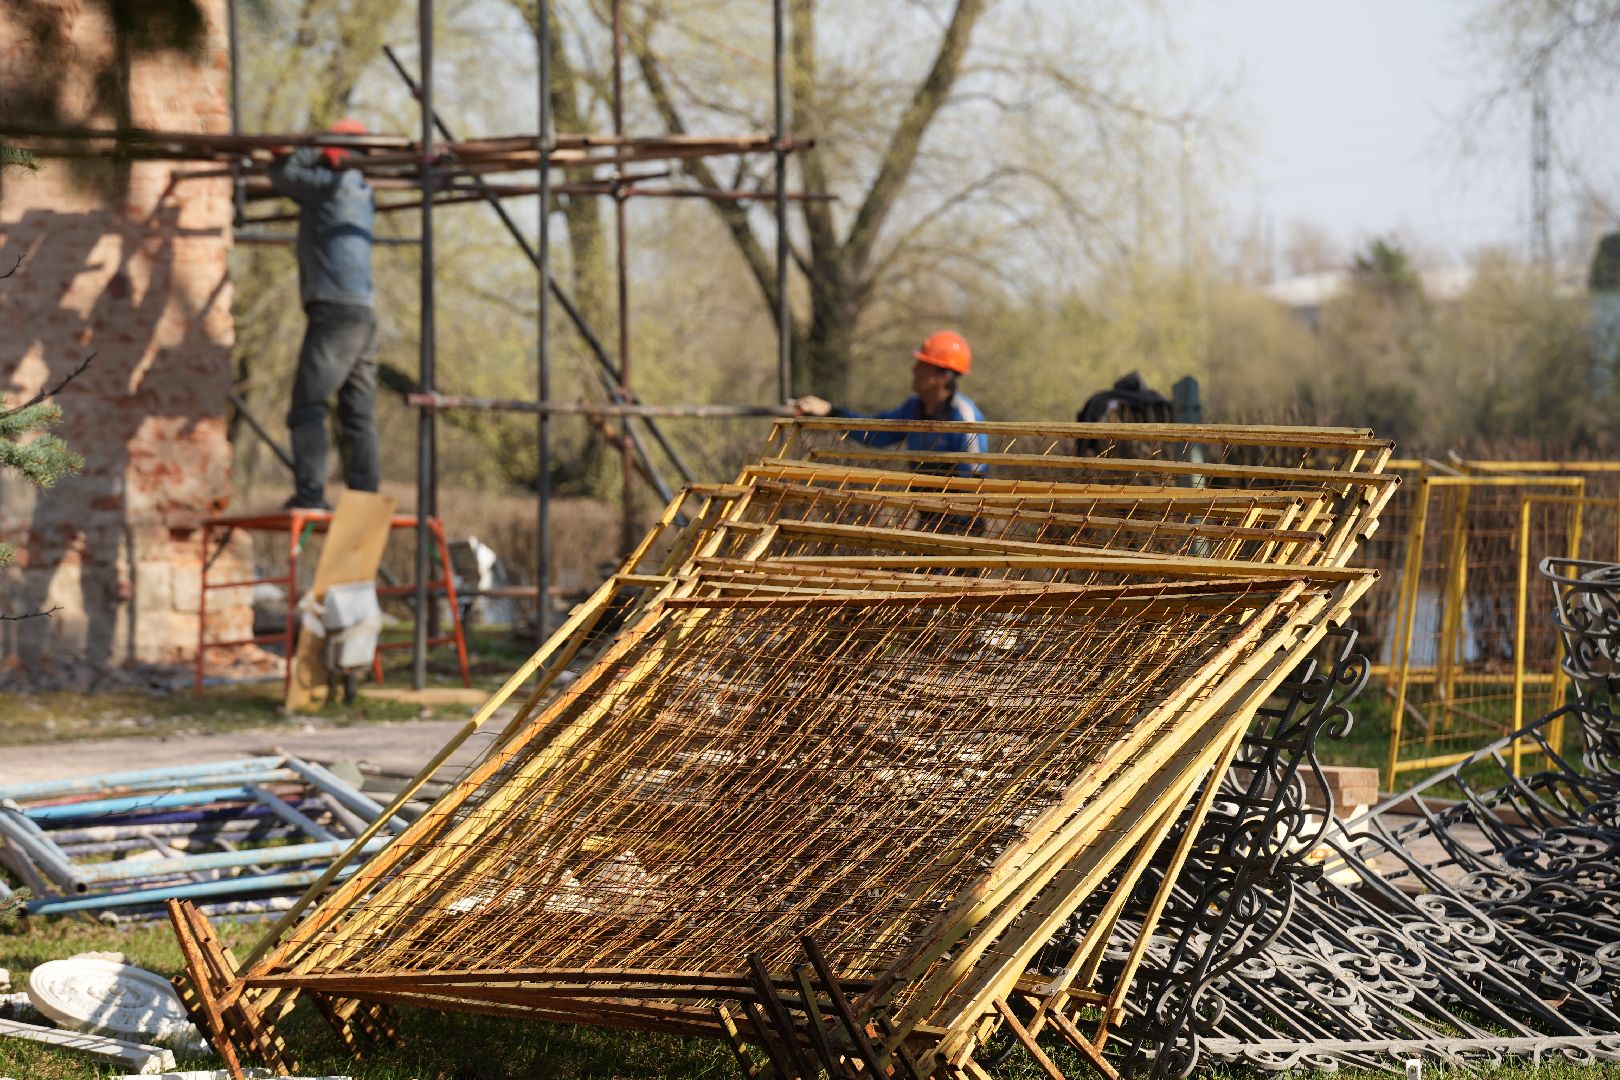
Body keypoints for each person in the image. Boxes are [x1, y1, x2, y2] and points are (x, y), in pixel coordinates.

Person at [268, 118, 379, 511]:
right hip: (364, 313)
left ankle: (311, 494)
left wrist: (309, 149)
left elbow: (282, 174)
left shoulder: (330, 187)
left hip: (334, 314)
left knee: (308, 406)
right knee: (357, 414)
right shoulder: (363, 190)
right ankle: (365, 499)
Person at [792, 330, 988, 478]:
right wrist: (830, 411)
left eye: (923, 365)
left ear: (943, 377)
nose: (914, 370)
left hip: (961, 523)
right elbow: (874, 432)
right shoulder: (912, 408)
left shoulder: (964, 416)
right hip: (926, 517)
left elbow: (974, 477)